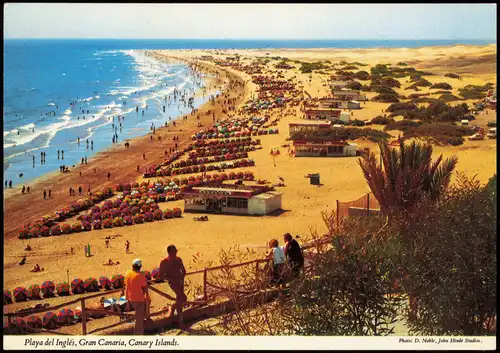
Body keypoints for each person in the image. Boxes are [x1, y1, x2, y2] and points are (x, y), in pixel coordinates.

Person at [159, 245, 187, 329]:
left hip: (180, 282)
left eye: (176, 251)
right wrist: (171, 279)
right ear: (169, 253)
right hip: (172, 283)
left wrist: (182, 277)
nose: (175, 253)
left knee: (181, 299)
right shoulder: (164, 262)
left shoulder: (179, 259)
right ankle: (180, 322)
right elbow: (161, 276)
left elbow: (184, 270)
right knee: (181, 297)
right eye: (174, 252)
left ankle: (173, 308)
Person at [124, 259, 150, 335]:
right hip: (138, 300)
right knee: (139, 321)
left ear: (132, 265)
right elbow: (145, 288)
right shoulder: (140, 276)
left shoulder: (127, 273)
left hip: (129, 298)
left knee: (139, 318)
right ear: (140, 267)